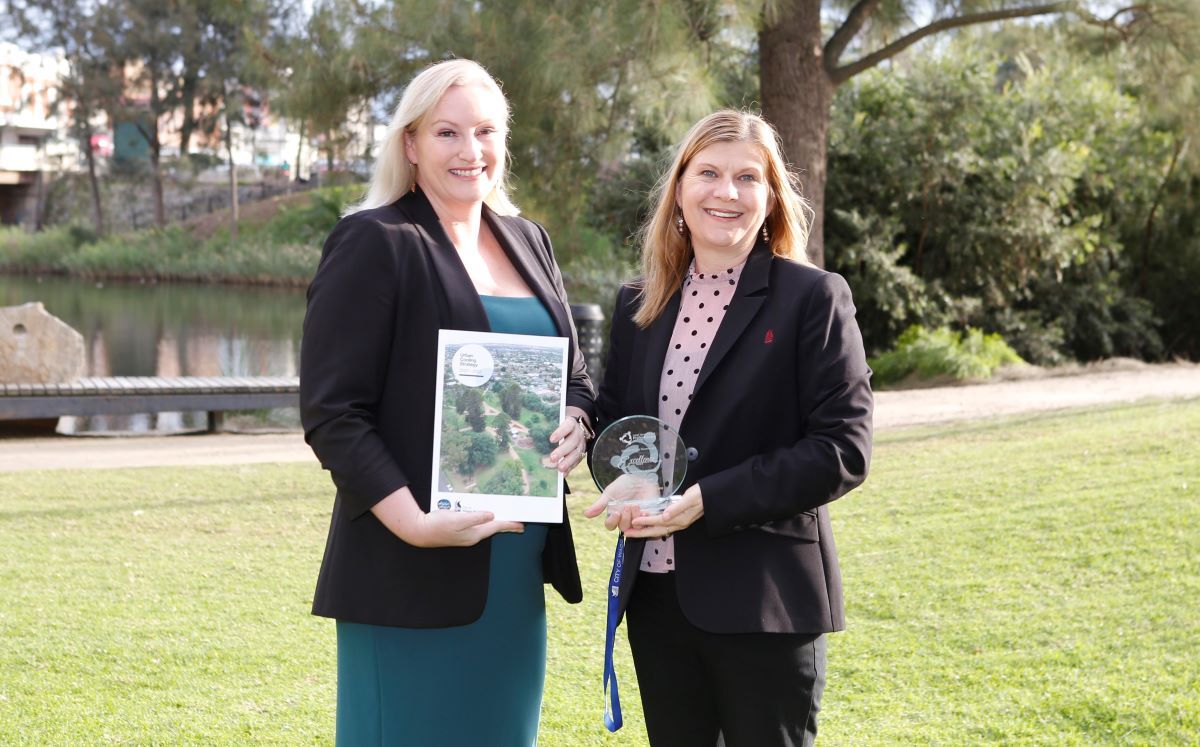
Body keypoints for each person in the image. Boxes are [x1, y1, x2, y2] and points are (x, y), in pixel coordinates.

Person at [300, 58, 595, 746]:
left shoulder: (528, 239)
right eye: (447, 133)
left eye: (486, 131)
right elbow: (333, 412)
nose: (471, 151)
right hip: (407, 566)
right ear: (410, 144)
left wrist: (577, 422)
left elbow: (576, 375)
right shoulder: (374, 241)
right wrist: (414, 523)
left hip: (513, 572)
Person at [585, 110, 873, 746]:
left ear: (770, 198)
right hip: (655, 598)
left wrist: (705, 503)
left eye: (748, 177)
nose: (727, 192)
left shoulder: (813, 298)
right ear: (680, 191)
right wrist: (602, 453)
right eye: (708, 173)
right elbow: (617, 422)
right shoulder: (639, 303)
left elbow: (842, 451)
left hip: (765, 602)